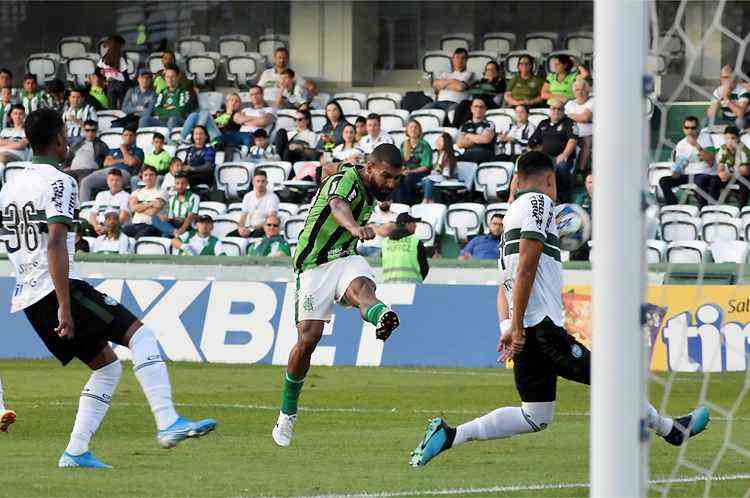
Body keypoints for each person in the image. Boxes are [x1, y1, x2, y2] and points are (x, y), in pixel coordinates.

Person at [409, 151, 710, 468]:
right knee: (613, 377)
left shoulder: (512, 213)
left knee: (535, 415)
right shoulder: (538, 204)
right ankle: (671, 430)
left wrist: (509, 326)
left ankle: (451, 434)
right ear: (550, 179)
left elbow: (504, 286)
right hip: (540, 328)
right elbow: (526, 267)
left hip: (525, 327)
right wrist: (519, 327)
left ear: (516, 180)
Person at [0, 108, 216, 468]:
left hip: (27, 295)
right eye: (64, 136)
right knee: (141, 336)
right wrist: (65, 306)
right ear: (57, 139)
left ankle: (76, 451)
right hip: (56, 290)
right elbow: (54, 243)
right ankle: (167, 422)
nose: (67, 141)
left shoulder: (10, 186)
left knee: (107, 367)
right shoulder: (60, 181)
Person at [272, 144, 404, 448]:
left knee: (363, 290)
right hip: (314, 264)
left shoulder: (369, 185)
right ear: (370, 168)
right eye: (387, 176)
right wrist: (354, 226)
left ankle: (382, 315)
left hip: (344, 256)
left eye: (396, 178)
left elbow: (326, 170)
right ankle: (287, 412)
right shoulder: (347, 181)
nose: (391, 184)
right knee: (308, 339)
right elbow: (337, 205)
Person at [658, 116, 716, 208]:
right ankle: (673, 208)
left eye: (693, 128)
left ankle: (703, 209)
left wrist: (697, 146)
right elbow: (680, 167)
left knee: (700, 180)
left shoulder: (706, 138)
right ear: (683, 129)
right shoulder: (681, 144)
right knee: (664, 181)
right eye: (687, 127)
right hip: (688, 175)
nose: (690, 130)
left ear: (698, 129)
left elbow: (711, 162)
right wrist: (675, 172)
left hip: (704, 174)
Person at [528, 99, 578, 202]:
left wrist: (564, 154)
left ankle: (563, 197)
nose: (556, 111)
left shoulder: (569, 122)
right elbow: (532, 142)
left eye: (559, 109)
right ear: (549, 110)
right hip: (545, 158)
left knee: (561, 166)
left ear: (564, 111)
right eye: (553, 108)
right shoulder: (543, 123)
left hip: (562, 158)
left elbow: (572, 140)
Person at [80, 126, 144, 202]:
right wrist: (123, 160)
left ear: (135, 137)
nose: (128, 137)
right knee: (85, 181)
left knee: (113, 182)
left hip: (123, 173)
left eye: (131, 135)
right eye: (126, 135)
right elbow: (106, 163)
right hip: (106, 171)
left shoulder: (138, 151)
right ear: (122, 137)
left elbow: (131, 162)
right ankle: (83, 209)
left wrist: (123, 149)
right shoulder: (114, 150)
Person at [452, 60, 506, 128]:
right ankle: (454, 127)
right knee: (464, 103)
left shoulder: (501, 81)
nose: (490, 71)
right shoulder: (482, 80)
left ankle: (465, 127)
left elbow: (496, 90)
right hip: (479, 101)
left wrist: (488, 83)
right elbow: (472, 89)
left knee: (474, 106)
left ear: (497, 71)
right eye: (488, 69)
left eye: (493, 69)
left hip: (491, 103)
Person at [381, 212, 429, 283]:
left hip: (389, 286)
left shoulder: (385, 242)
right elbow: (424, 267)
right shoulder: (416, 242)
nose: (416, 226)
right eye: (413, 223)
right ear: (407, 224)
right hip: (412, 286)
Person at [231, 170, 280, 238]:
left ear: (266, 183)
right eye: (258, 181)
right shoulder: (248, 196)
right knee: (229, 236)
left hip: (263, 228)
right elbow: (243, 217)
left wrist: (252, 229)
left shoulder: (273, 197)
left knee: (254, 237)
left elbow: (270, 220)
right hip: (249, 228)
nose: (260, 184)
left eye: (263, 181)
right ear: (253, 182)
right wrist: (240, 228)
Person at [393, 119, 432, 205]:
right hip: (407, 172)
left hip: (421, 172)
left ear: (419, 130)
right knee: (395, 179)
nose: (413, 130)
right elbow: (400, 161)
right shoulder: (404, 144)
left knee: (408, 179)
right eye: (411, 127)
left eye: (416, 128)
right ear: (407, 130)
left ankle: (408, 205)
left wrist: (410, 171)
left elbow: (426, 166)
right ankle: (398, 206)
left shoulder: (425, 145)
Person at [426, 48, 475, 115]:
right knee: (421, 113)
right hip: (439, 103)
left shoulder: (469, 74)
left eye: (463, 58)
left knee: (451, 114)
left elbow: (460, 87)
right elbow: (435, 84)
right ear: (453, 59)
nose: (459, 60)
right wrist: (453, 81)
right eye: (457, 57)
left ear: (466, 61)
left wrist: (444, 85)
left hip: (455, 104)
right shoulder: (445, 74)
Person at [123, 165, 166, 239]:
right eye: (145, 175)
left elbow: (152, 212)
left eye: (151, 175)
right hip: (135, 225)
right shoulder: (136, 192)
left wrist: (139, 206)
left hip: (152, 226)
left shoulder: (162, 192)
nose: (148, 177)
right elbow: (133, 208)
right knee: (122, 234)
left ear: (156, 177)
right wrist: (151, 203)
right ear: (142, 177)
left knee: (139, 238)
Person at [152, 173, 199, 238]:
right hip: (175, 223)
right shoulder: (172, 198)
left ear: (187, 184)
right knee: (155, 217)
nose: (180, 186)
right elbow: (171, 216)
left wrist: (182, 229)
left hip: (187, 225)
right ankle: (174, 232)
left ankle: (173, 232)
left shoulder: (194, 197)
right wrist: (166, 218)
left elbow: (190, 217)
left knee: (165, 234)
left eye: (183, 183)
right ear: (174, 184)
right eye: (177, 183)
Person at [714, 125, 750, 207]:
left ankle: (741, 210)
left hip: (744, 176)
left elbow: (745, 170)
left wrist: (729, 175)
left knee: (744, 183)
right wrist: (721, 174)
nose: (729, 141)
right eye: (727, 138)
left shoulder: (743, 149)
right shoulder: (723, 148)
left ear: (738, 139)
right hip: (732, 175)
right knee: (714, 180)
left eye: (733, 138)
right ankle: (713, 208)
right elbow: (720, 168)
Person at [146, 65, 189, 130]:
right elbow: (156, 110)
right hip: (163, 121)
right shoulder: (162, 92)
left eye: (172, 77)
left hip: (178, 121)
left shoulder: (183, 92)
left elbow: (180, 112)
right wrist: (170, 110)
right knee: (144, 120)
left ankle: (170, 139)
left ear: (178, 77)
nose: (169, 79)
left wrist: (164, 111)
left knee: (172, 119)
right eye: (167, 77)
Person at [89, 168, 130, 236]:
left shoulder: (126, 196)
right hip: (98, 228)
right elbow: (92, 215)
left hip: (117, 229)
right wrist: (96, 226)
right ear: (107, 181)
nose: (114, 182)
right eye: (111, 180)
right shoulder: (100, 195)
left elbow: (122, 218)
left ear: (122, 181)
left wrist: (107, 229)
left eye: (117, 180)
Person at [564, 79, 594, 172]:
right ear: (573, 92)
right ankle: (565, 168)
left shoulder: (593, 101)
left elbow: (585, 118)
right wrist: (578, 118)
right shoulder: (570, 104)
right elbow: (564, 120)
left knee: (587, 141)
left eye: (582, 89)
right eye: (577, 90)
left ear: (588, 90)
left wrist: (571, 116)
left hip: (588, 134)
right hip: (572, 133)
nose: (580, 92)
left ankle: (581, 171)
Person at [706, 65, 749, 129]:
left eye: (729, 77)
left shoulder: (742, 90)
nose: (727, 80)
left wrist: (726, 98)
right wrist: (716, 106)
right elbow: (711, 115)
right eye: (724, 77)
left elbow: (740, 114)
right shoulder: (718, 91)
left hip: (743, 119)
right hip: (726, 121)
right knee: (706, 121)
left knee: (740, 121)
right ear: (721, 79)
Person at [421, 132, 458, 204]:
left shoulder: (449, 156)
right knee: (425, 181)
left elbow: (446, 174)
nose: (437, 142)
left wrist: (434, 175)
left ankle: (426, 200)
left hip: (448, 178)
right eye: (437, 140)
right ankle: (431, 201)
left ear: (446, 143)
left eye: (440, 141)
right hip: (437, 178)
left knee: (428, 181)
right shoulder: (436, 154)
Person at [457, 98, 496, 164]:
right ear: (471, 109)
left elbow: (485, 139)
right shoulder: (465, 125)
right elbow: (460, 143)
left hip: (485, 153)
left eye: (481, 107)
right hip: (468, 154)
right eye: (476, 106)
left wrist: (468, 135)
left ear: (485, 109)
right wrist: (479, 138)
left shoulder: (489, 124)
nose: (478, 109)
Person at [97, 34, 130, 110]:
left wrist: (105, 78)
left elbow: (97, 72)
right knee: (123, 107)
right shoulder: (121, 59)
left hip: (110, 84)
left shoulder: (104, 59)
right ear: (119, 47)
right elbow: (126, 76)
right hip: (121, 85)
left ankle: (112, 121)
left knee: (112, 108)